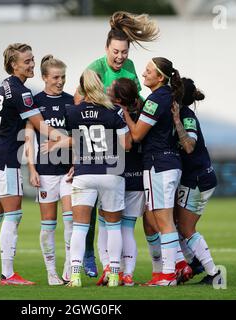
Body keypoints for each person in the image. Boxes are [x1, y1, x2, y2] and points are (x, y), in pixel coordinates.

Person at [0, 43, 68, 286]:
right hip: (4, 159)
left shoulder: (3, 86)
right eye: (27, 61)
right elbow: (42, 127)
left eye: (33, 60)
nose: (32, 64)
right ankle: (7, 274)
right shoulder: (21, 91)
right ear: (14, 65)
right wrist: (70, 140)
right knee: (13, 216)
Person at [76, 11, 159, 278]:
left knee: (116, 218)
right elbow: (77, 104)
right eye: (115, 51)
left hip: (122, 146)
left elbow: (137, 101)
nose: (120, 57)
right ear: (106, 49)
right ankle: (88, 254)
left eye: (124, 52)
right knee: (88, 209)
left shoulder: (131, 67)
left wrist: (129, 108)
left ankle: (119, 271)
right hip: (96, 145)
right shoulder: (95, 69)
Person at [61, 69, 131, 287]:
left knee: (80, 228)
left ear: (82, 87)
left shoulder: (71, 112)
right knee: (113, 226)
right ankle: (114, 275)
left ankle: (74, 275)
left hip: (84, 174)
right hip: (111, 173)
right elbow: (127, 145)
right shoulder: (114, 112)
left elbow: (76, 140)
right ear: (100, 85)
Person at [122, 57, 183, 286]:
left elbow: (137, 135)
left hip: (158, 164)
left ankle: (168, 274)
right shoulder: (169, 96)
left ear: (160, 77)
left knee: (163, 221)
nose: (144, 74)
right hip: (170, 163)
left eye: (148, 71)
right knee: (163, 220)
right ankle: (169, 271)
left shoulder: (155, 99)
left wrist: (124, 113)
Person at [24, 55, 74, 285]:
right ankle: (51, 271)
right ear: (44, 77)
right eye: (55, 77)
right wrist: (32, 169)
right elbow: (28, 138)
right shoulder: (34, 103)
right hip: (44, 172)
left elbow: (79, 136)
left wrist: (76, 164)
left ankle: (68, 267)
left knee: (71, 220)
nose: (60, 81)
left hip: (67, 172)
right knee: (48, 225)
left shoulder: (72, 101)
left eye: (63, 76)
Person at [171, 77, 222, 285]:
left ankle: (214, 273)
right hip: (193, 178)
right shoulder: (180, 113)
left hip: (198, 179)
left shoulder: (186, 115)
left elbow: (190, 145)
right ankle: (194, 262)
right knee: (174, 223)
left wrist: (176, 121)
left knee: (185, 228)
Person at [95, 78, 145, 287]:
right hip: (138, 179)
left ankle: (109, 267)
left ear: (117, 97)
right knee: (126, 229)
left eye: (111, 87)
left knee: (105, 226)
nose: (106, 88)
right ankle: (127, 274)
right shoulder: (142, 116)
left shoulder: (109, 114)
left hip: (115, 176)